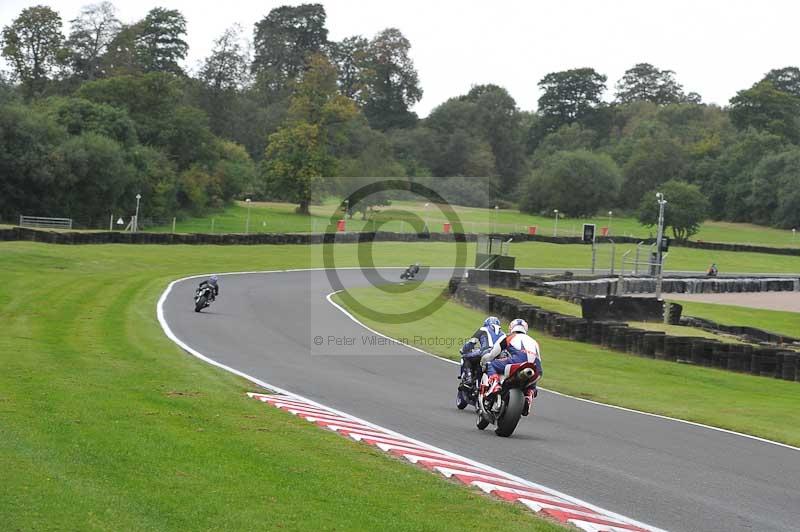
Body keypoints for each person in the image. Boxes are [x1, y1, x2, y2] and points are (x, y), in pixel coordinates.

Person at [481, 318, 542, 416]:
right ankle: (528, 395)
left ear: (511, 328)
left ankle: (495, 385)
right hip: (537, 368)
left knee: (491, 364)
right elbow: (538, 360)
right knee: (533, 382)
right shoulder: (534, 341)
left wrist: (485, 359)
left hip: (517, 361)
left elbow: (493, 354)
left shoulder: (509, 337)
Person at [459, 316, 505, 388]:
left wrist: (464, 349)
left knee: (465, 357)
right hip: (500, 356)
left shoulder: (483, 329)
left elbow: (472, 342)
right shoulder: (503, 334)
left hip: (485, 353)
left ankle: (469, 378)